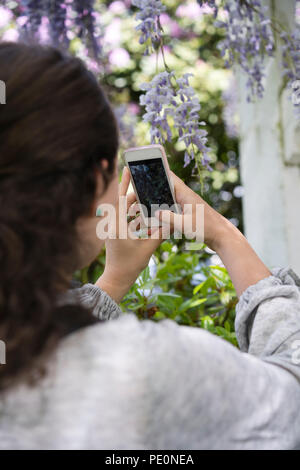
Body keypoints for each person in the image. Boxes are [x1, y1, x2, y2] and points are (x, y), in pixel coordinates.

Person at [0, 42, 300, 451]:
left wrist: (115, 280)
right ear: (95, 181)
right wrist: (224, 236)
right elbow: (291, 404)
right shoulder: (144, 370)